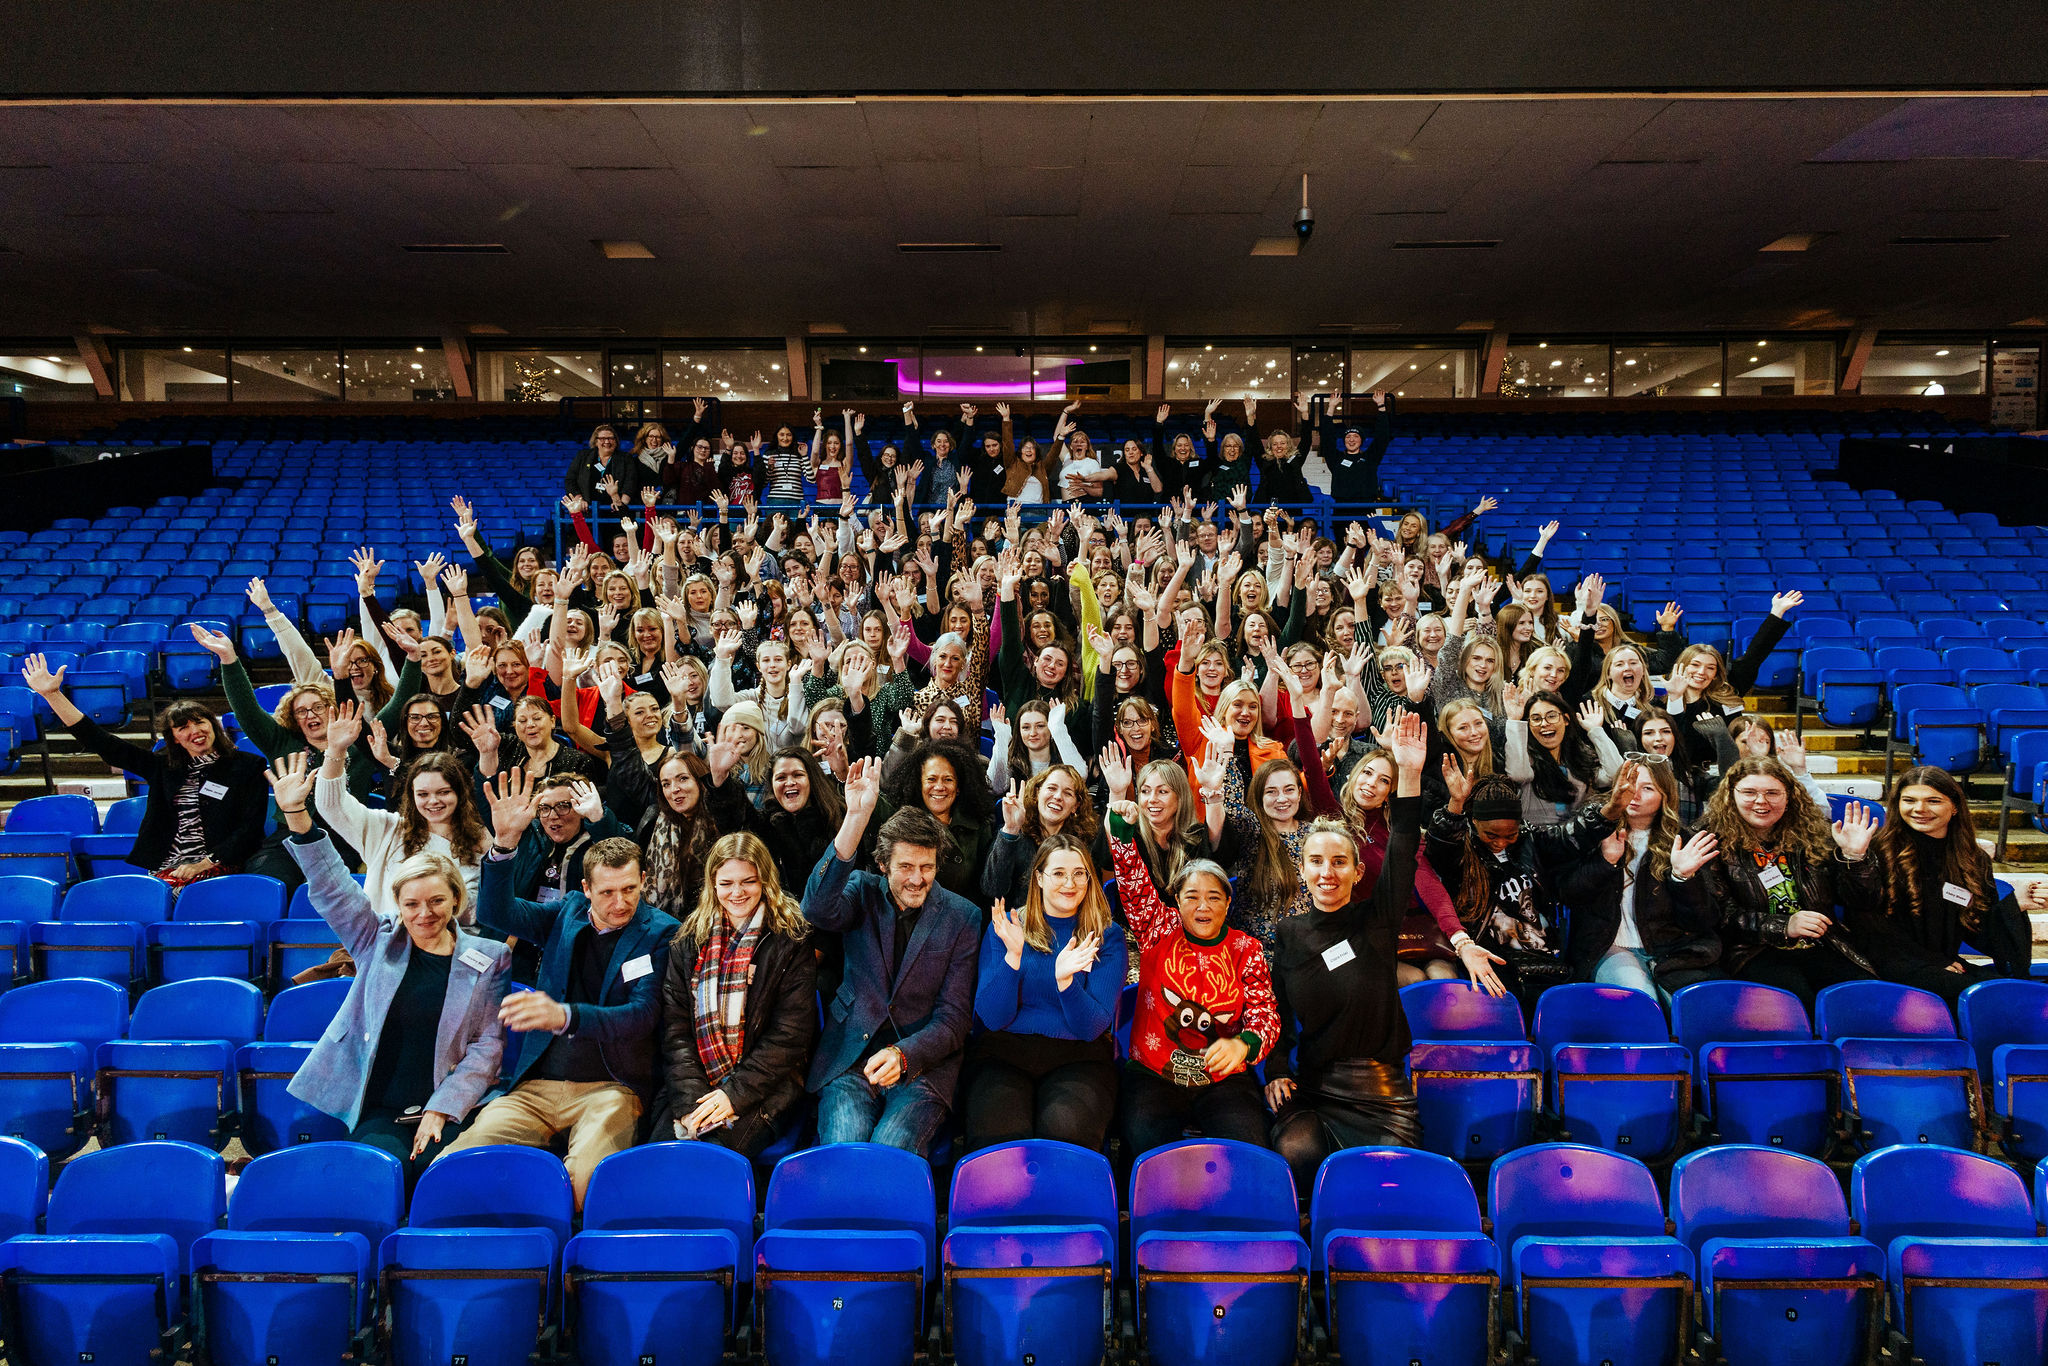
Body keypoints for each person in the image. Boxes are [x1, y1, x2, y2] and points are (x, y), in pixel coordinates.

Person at [269, 754, 507, 1192]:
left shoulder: (490, 956)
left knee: (441, 1176)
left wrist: (442, 1108)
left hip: (451, 1105)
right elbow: (333, 887)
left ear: (457, 900)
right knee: (375, 1177)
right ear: (397, 904)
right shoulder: (375, 941)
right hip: (381, 1107)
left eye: (437, 901)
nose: (424, 914)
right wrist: (297, 817)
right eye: (411, 904)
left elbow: (488, 1046)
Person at [449, 767, 680, 1210]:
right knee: (457, 1163)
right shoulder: (567, 913)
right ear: (585, 889)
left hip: (612, 1088)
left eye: (631, 889)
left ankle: (558, 1268)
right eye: (608, 892)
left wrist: (566, 1015)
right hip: (537, 1085)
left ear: (644, 882)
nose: (621, 903)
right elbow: (498, 913)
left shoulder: (661, 933)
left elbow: (642, 1015)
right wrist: (504, 845)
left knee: (583, 1186)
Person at [1264, 710, 1431, 1192]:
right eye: (1316, 861)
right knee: (1294, 1151)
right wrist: (1276, 1069)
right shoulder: (1290, 933)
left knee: (1389, 1185)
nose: (1327, 872)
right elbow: (1274, 1010)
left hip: (1382, 1094)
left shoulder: (1377, 919)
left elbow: (1402, 843)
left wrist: (1412, 775)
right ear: (1303, 870)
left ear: (1357, 873)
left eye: (1339, 862)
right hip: (1315, 1087)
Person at [802, 758, 981, 1154]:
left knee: (890, 1150)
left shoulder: (963, 917)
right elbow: (816, 909)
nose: (917, 879)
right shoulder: (861, 891)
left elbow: (954, 1019)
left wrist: (904, 1054)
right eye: (905, 867)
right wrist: (856, 816)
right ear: (883, 864)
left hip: (922, 1066)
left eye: (927, 867)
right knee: (845, 1150)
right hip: (851, 1057)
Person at [1106, 797, 1280, 1155]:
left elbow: (1265, 1014)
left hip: (1223, 1081)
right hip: (1153, 1075)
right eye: (1192, 897)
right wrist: (1123, 833)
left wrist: (1243, 1044)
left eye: (1214, 897)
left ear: (1228, 904)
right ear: (1176, 900)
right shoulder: (1159, 929)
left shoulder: (1246, 948)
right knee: (1147, 1150)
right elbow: (1135, 885)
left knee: (1251, 1151)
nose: (1203, 906)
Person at [22, 653, 267, 889]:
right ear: (174, 739)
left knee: (170, 899)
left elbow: (250, 827)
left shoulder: (247, 765)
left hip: (221, 864)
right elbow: (101, 742)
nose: (195, 730)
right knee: (133, 902)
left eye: (200, 722)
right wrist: (53, 696)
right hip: (167, 866)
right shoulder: (163, 766)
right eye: (183, 727)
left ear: (213, 725)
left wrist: (204, 863)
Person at [655, 832, 818, 1156]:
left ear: (765, 881)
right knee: (659, 1155)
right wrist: (692, 1101)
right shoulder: (688, 940)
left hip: (768, 1087)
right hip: (697, 1081)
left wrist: (731, 1095)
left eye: (748, 881)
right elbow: (676, 1032)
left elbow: (789, 1037)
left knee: (708, 1160)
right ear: (712, 884)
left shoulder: (791, 939)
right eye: (726, 883)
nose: (737, 892)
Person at [966, 836, 1128, 1151]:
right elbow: (993, 1018)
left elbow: (1091, 1027)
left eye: (1080, 873)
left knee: (1065, 1136)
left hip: (1079, 1056)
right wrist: (1013, 958)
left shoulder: (1107, 937)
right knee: (1000, 1137)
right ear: (1039, 877)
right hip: (1004, 1053)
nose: (1070, 882)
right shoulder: (1007, 928)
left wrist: (1065, 982)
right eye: (1058, 873)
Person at [1697, 755, 1883, 1011]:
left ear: (1789, 796)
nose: (1761, 802)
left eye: (1772, 793)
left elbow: (1863, 902)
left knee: (1863, 1000)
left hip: (1822, 943)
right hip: (1752, 950)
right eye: (1749, 792)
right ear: (1731, 795)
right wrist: (1785, 925)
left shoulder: (1815, 834)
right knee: (1795, 1002)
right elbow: (1721, 918)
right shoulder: (1709, 841)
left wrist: (1855, 858)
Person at [1425, 767, 1614, 1015]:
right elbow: (1441, 841)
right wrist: (1456, 803)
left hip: (1545, 960)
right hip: (1492, 959)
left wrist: (1613, 809)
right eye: (1491, 834)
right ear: (1474, 822)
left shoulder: (1530, 840)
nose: (1500, 842)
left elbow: (1573, 835)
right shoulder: (1460, 851)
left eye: (1510, 835)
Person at [1558, 756, 1723, 1001]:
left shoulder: (1685, 841)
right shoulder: (1594, 832)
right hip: (1609, 945)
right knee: (1643, 1002)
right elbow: (1569, 894)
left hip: (1672, 949)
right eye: (1629, 784)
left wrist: (1682, 878)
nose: (1634, 794)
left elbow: (1702, 921)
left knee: (1690, 1007)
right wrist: (1605, 863)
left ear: (1664, 795)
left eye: (1647, 788)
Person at [1865, 767, 2035, 1000]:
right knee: (1990, 999)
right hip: (1890, 962)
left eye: (1933, 801)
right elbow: (1869, 926)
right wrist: (1931, 961)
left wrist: (2014, 907)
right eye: (1909, 800)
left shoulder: (1971, 858)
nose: (1919, 809)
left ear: (1954, 807)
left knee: (2018, 992)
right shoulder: (1877, 850)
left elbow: (1980, 931)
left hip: (1944, 962)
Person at [315, 704, 490, 916]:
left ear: (460, 793)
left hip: (448, 945)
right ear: (411, 795)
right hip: (384, 943)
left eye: (444, 792)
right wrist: (335, 750)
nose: (433, 801)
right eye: (423, 794)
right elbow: (331, 805)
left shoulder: (479, 839)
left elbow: (478, 912)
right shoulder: (387, 829)